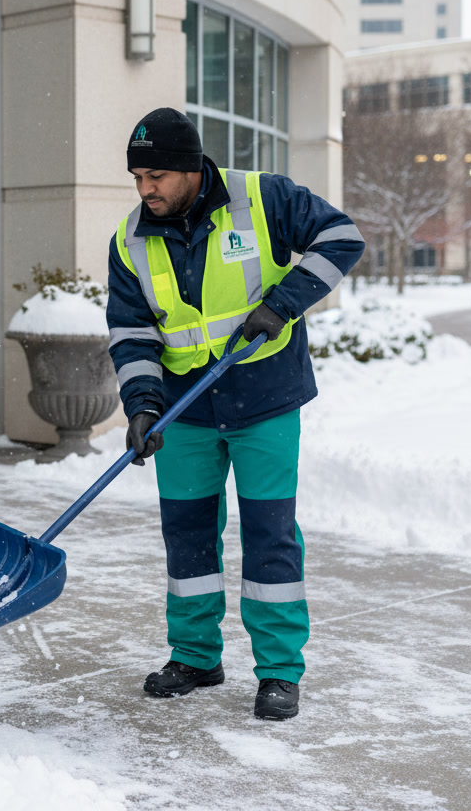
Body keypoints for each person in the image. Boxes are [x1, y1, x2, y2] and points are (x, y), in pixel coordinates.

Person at [107, 107, 364, 720]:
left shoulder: (263, 198)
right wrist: (142, 406)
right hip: (185, 411)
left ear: (191, 167)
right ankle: (196, 656)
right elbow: (131, 332)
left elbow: (342, 238)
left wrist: (283, 303)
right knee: (187, 536)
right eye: (138, 178)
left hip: (266, 400)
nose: (146, 190)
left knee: (270, 538)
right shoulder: (130, 240)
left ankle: (278, 671)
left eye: (156, 177)